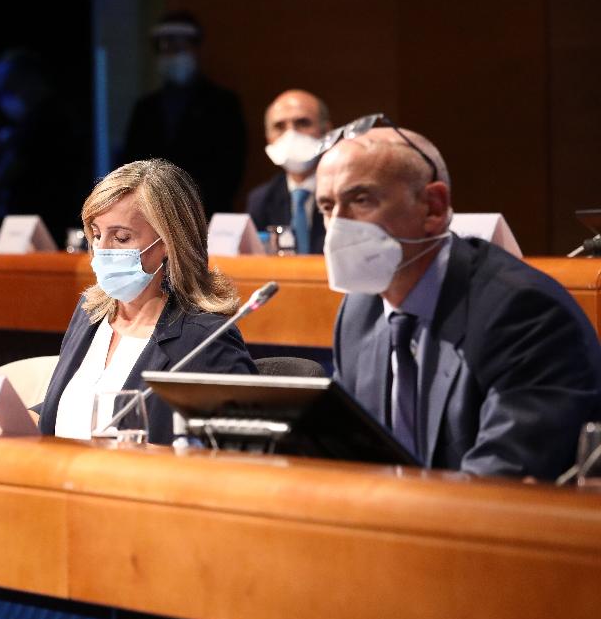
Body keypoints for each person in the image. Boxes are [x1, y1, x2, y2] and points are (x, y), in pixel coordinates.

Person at [318, 117, 601, 479]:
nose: (338, 226)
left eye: (360, 200)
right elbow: (344, 453)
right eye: (327, 208)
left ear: (433, 208)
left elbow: (502, 480)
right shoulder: (360, 309)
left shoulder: (525, 312)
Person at [38, 159, 256, 444]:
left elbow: (244, 448)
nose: (101, 250)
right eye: (96, 234)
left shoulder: (203, 340)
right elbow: (66, 411)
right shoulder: (90, 314)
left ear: (168, 242)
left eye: (121, 237)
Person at [122, 12, 246, 217]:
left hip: (206, 212)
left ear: (196, 50)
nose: (172, 55)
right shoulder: (145, 107)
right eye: (165, 49)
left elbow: (230, 168)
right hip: (151, 212)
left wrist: (191, 205)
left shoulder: (223, 103)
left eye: (179, 48)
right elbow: (132, 163)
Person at [0, 49, 89, 247]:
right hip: (30, 221)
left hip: (47, 222)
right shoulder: (34, 120)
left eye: (10, 86)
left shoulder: (47, 120)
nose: (4, 97)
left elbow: (7, 172)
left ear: (29, 80)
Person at [246, 89, 330, 254]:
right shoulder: (260, 200)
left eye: (303, 123)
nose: (291, 134)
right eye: (279, 126)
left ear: (326, 131)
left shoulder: (348, 195)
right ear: (269, 138)